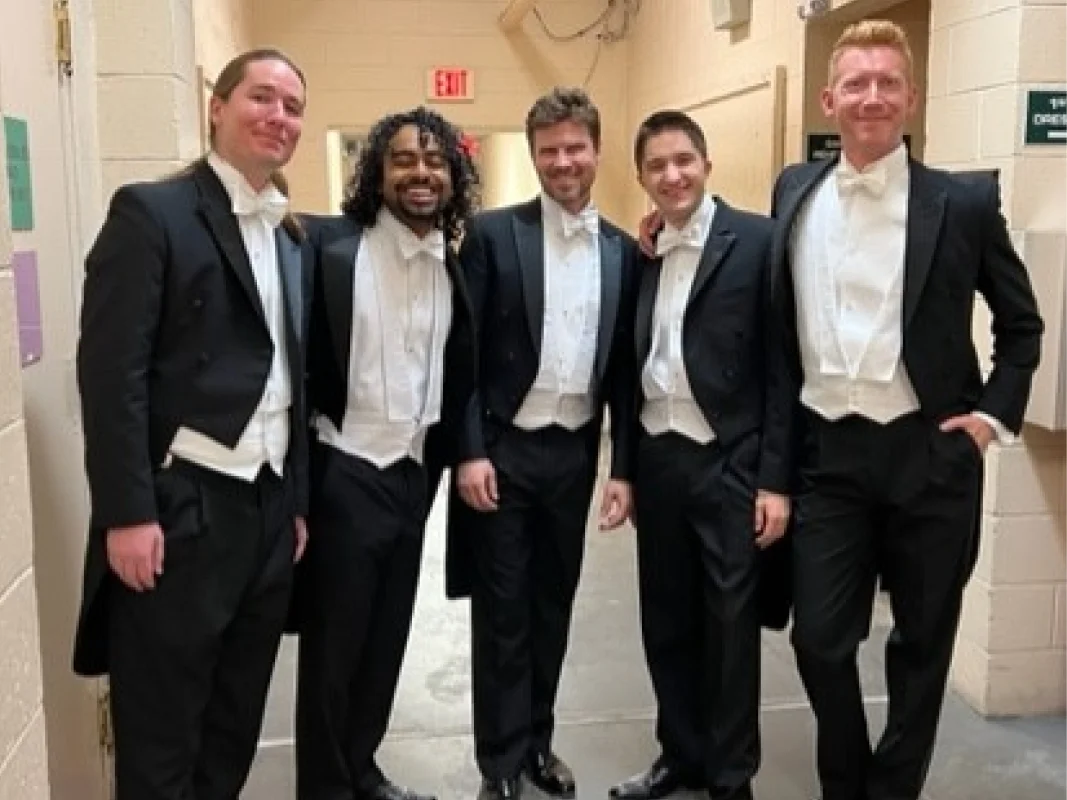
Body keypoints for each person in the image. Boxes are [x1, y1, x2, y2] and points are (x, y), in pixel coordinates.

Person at [769, 20, 1043, 800]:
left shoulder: (959, 202)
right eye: (855, 82)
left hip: (930, 456)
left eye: (888, 82)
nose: (872, 97)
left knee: (921, 646)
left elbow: (1022, 326)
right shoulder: (793, 190)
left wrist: (988, 421)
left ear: (911, 98)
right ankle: (846, 778)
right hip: (828, 459)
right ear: (828, 98)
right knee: (819, 640)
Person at [73, 49, 310, 800]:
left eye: (294, 107)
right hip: (182, 511)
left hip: (268, 511)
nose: (280, 116)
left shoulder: (289, 233)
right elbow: (112, 378)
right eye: (262, 98)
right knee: (163, 731)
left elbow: (290, 380)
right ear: (217, 106)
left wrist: (295, 499)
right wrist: (128, 512)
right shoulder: (151, 212)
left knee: (234, 721)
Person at [450, 86, 638, 800]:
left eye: (575, 148)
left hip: (573, 456)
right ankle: (498, 765)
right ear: (533, 156)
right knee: (501, 613)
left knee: (551, 608)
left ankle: (537, 744)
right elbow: (461, 354)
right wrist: (468, 450)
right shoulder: (494, 235)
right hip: (502, 454)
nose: (563, 162)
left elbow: (623, 367)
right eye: (549, 151)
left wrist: (622, 468)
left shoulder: (624, 250)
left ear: (595, 150)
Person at [293, 107, 478, 800]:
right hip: (344, 470)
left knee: (384, 641)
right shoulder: (327, 247)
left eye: (434, 162)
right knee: (334, 650)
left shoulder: (450, 265)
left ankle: (360, 768)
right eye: (403, 160)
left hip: (412, 476)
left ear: (453, 178)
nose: (421, 173)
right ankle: (323, 787)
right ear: (376, 171)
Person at [609, 110, 791, 800]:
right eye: (656, 166)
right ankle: (678, 756)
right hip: (660, 459)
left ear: (706, 164)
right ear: (641, 178)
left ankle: (729, 776)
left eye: (682, 160)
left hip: (730, 463)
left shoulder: (757, 240)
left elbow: (782, 369)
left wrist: (774, 480)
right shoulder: (644, 250)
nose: (671, 175)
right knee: (666, 620)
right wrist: (623, 466)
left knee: (729, 629)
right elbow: (628, 369)